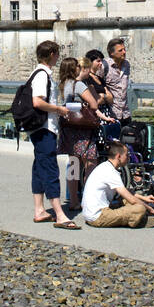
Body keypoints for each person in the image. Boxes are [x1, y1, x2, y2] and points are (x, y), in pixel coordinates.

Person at [27, 40, 79, 229]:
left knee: (39, 167)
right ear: (51, 55)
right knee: (50, 168)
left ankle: (39, 209)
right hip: (44, 128)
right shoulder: (42, 75)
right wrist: (58, 109)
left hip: (39, 128)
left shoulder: (36, 72)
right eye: (57, 54)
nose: (58, 58)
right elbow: (37, 102)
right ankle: (59, 213)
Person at [56, 56, 101, 208]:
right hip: (83, 128)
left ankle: (73, 200)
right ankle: (89, 199)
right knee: (90, 162)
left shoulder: (62, 85)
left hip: (68, 128)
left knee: (73, 163)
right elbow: (94, 105)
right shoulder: (79, 85)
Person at [82, 142, 154, 228]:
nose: (128, 158)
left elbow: (125, 193)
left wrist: (144, 198)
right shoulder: (111, 172)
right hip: (97, 216)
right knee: (140, 209)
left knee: (131, 200)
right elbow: (132, 199)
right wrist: (149, 208)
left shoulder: (105, 166)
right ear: (118, 156)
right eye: (127, 155)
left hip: (91, 213)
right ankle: (136, 220)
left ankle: (135, 217)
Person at [102, 37, 131, 140]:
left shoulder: (126, 65)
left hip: (125, 114)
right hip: (111, 115)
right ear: (111, 53)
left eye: (124, 49)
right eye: (120, 50)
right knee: (112, 148)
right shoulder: (104, 66)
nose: (124, 52)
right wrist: (105, 93)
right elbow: (95, 83)